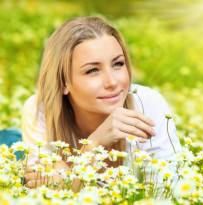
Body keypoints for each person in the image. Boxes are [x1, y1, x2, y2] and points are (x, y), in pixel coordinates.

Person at [21, 16, 182, 189]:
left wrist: (66, 179)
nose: (112, 82)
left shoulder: (148, 105)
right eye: (92, 70)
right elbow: (46, 194)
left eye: (118, 64)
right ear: (63, 82)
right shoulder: (40, 110)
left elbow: (167, 190)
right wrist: (94, 145)